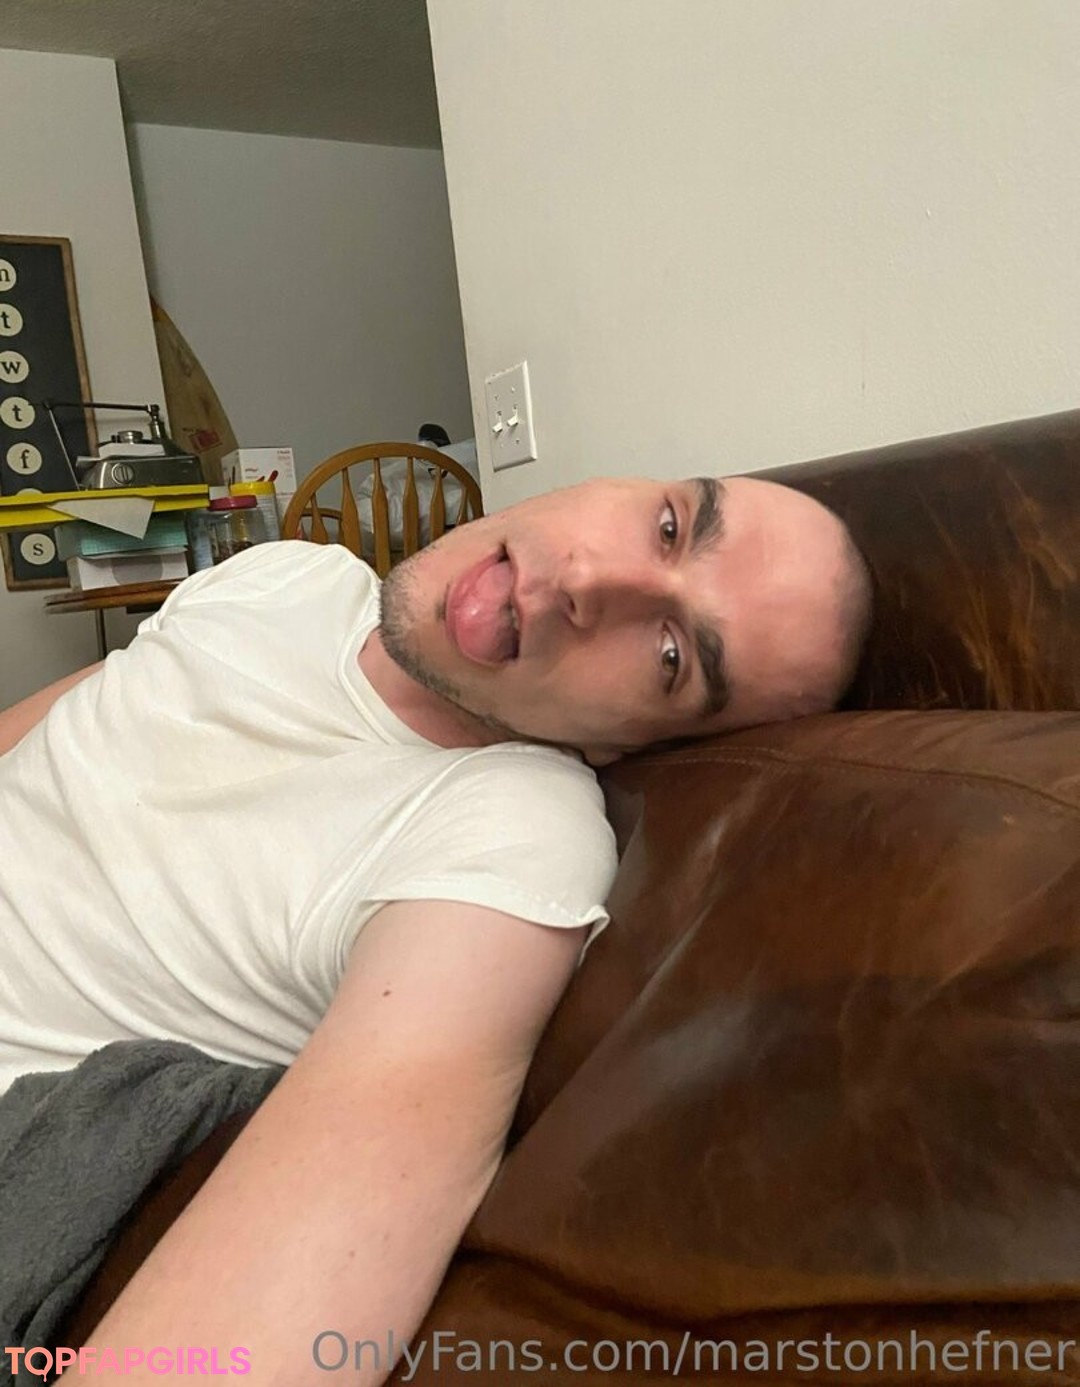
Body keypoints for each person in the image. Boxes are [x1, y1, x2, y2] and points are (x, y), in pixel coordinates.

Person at [0, 472, 870, 1384]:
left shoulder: (511, 839)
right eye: (667, 524)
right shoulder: (281, 574)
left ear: (629, 743)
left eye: (669, 655)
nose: (589, 582)